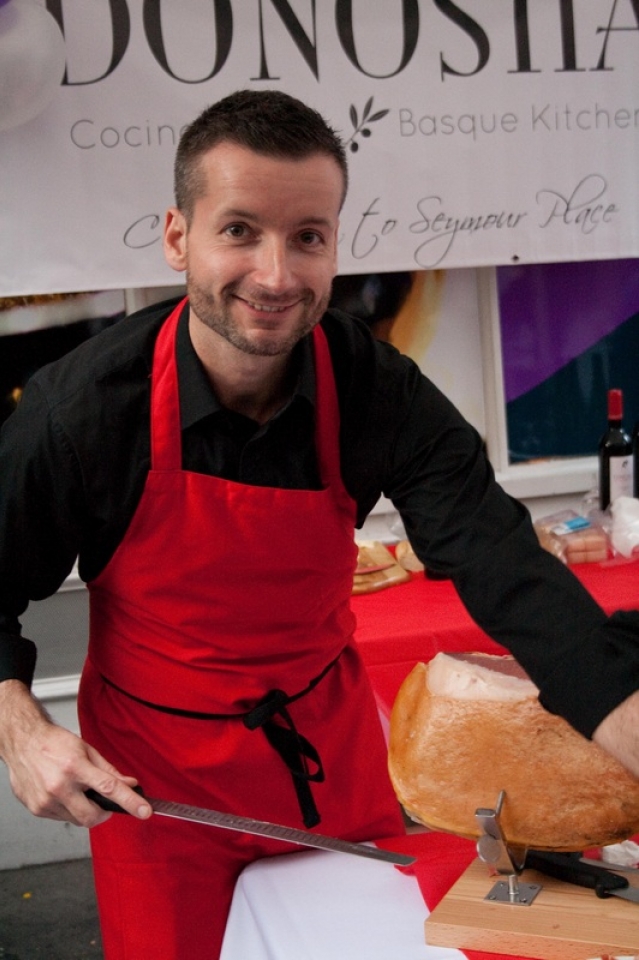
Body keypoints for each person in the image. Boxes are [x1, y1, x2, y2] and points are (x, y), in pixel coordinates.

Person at [1, 89, 639, 959]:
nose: (275, 274)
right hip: (156, 791)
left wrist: (623, 717)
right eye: (238, 230)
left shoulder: (379, 392)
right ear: (178, 237)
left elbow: (503, 565)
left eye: (307, 236)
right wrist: (22, 728)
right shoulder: (78, 412)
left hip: (326, 764)